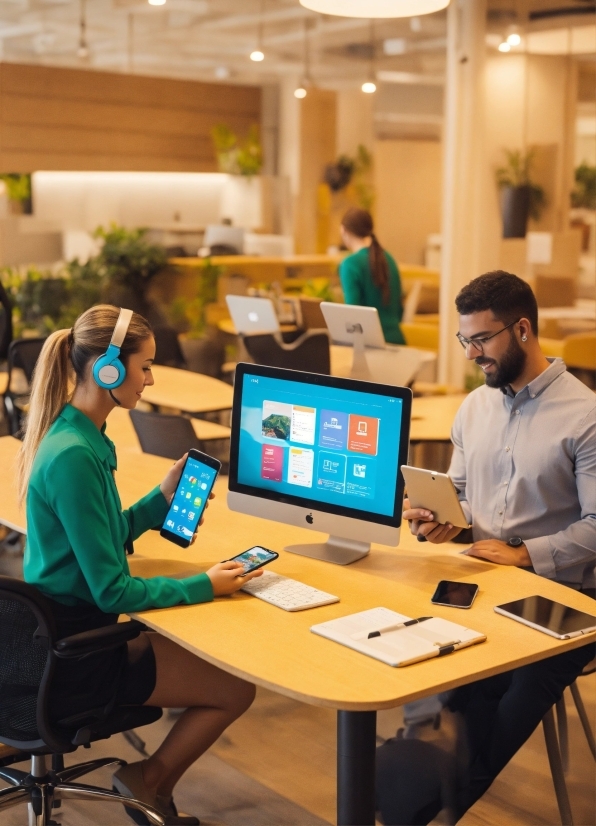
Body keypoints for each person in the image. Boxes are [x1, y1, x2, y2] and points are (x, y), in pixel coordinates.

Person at [19, 304, 263, 825]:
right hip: (77, 656)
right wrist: (205, 584)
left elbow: (101, 539)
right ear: (107, 368)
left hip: (65, 634)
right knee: (236, 688)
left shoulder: (81, 436)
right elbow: (112, 591)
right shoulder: (73, 457)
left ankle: (151, 781)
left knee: (201, 650)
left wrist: (159, 499)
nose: (151, 379)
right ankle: (147, 780)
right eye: (145, 366)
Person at [399, 271, 596, 823]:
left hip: (565, 596)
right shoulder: (474, 408)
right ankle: (402, 794)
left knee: (498, 702)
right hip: (484, 580)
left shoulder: (586, 416)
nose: (471, 354)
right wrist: (441, 521)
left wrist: (525, 554)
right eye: (466, 341)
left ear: (524, 330)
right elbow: (460, 498)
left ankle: (415, 810)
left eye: (481, 340)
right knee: (428, 676)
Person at [339, 207, 405, 345]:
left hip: (369, 346)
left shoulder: (349, 264)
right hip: (397, 342)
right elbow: (399, 310)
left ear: (344, 230)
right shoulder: (389, 259)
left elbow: (352, 316)